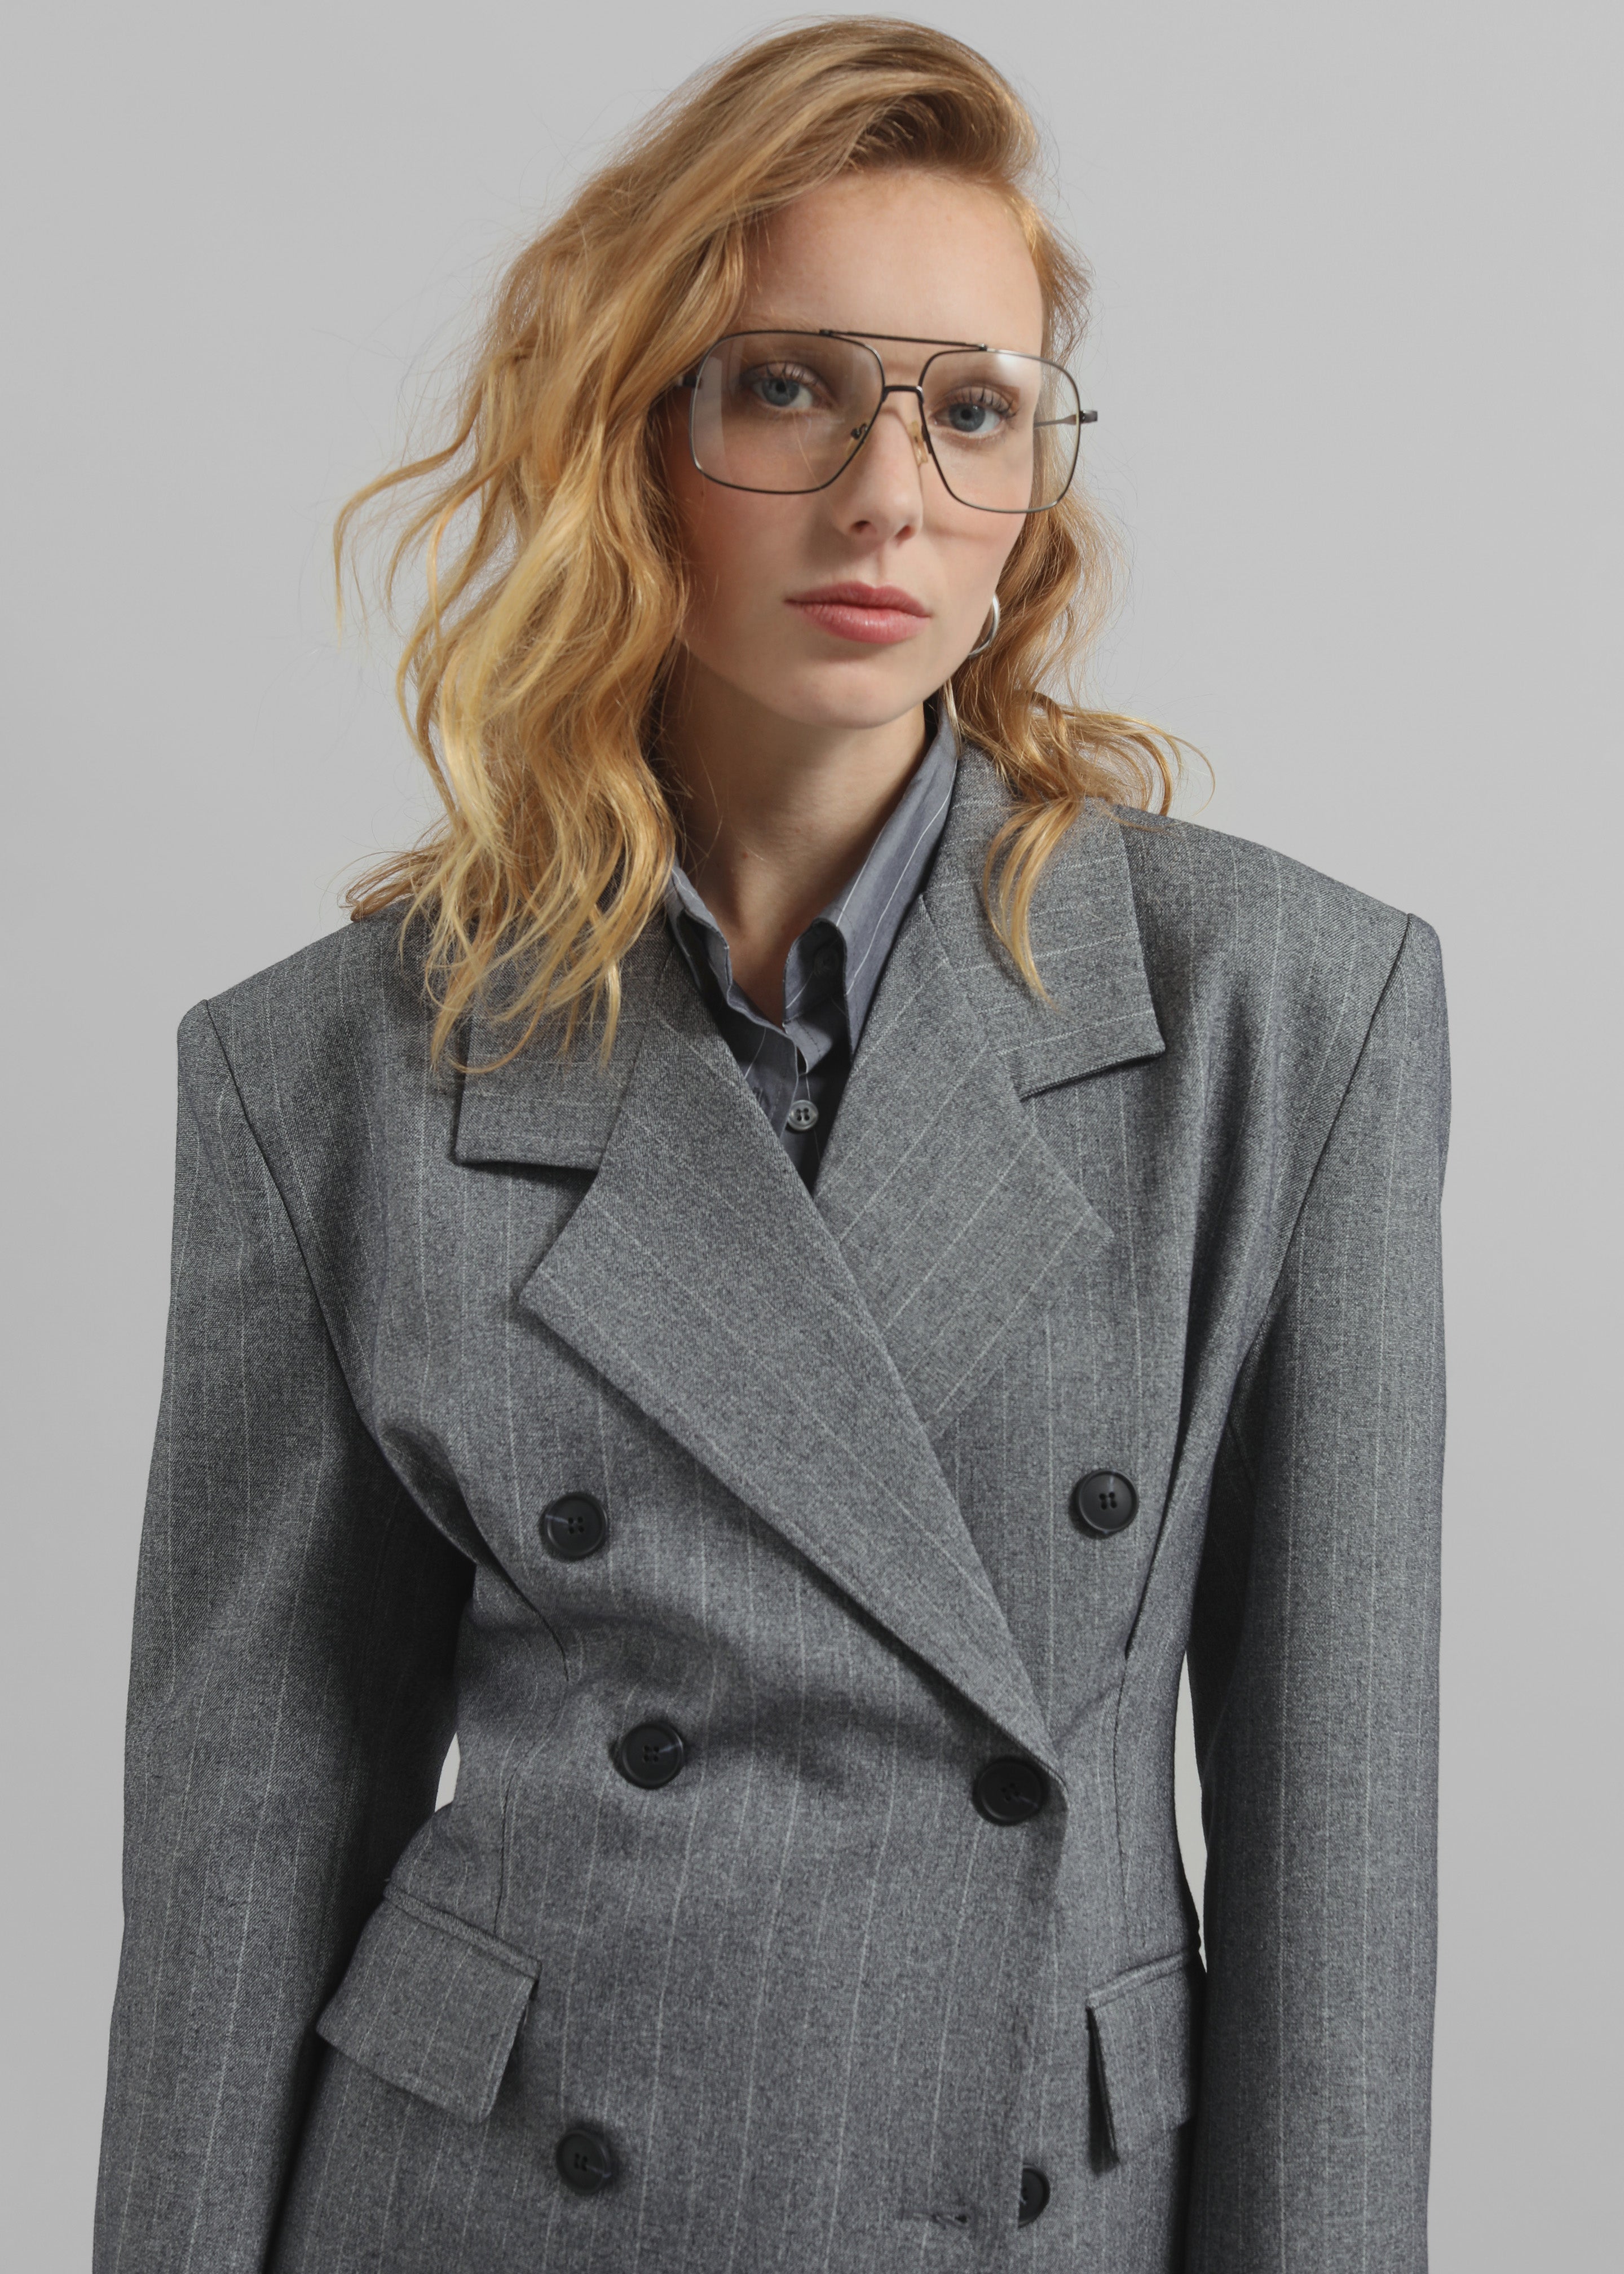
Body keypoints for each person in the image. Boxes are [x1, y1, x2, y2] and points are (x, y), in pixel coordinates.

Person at [94, 18, 1448, 2273]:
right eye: (791, 388)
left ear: (1035, 488)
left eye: (972, 408)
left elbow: (1343, 1850)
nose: (889, 495)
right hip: (494, 2214)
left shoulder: (1287, 1013)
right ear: (632, 437)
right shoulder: (326, 1070)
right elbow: (245, 1832)